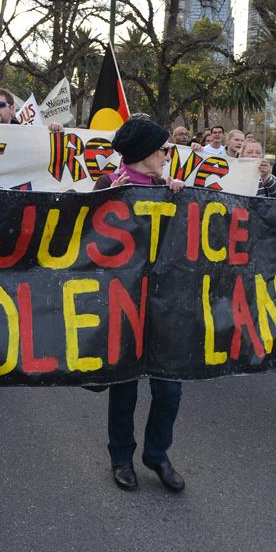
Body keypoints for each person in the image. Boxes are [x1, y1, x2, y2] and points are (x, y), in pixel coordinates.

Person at [94, 116, 186, 493]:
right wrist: (103, 201)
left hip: (166, 305)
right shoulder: (107, 185)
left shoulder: (172, 188)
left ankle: (157, 453)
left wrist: (180, 195)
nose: (168, 155)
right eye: (163, 149)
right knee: (125, 385)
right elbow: (84, 245)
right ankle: (121, 457)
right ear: (146, 152)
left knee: (170, 388)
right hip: (122, 303)